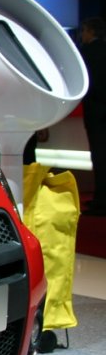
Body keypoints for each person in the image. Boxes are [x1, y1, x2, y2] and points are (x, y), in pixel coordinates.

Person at [79, 16, 106, 216]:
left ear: (90, 32)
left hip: (96, 113)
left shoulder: (87, 53)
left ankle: (101, 200)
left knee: (99, 155)